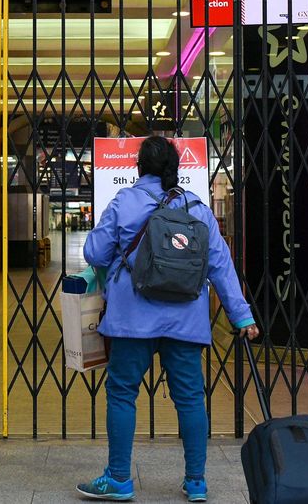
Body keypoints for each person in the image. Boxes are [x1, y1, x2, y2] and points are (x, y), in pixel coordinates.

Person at [77, 136, 259, 503]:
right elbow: (221, 265)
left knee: (122, 393)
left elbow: (94, 250)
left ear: (139, 167)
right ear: (174, 169)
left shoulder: (124, 202)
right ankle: (195, 482)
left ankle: (118, 479)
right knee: (190, 398)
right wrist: (242, 317)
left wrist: (112, 272)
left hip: (132, 320)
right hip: (186, 321)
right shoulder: (197, 208)